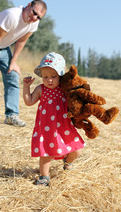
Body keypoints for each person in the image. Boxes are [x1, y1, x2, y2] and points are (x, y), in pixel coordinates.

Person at [0, 0, 47, 127]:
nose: (34, 17)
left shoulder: (33, 24)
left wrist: (13, 62)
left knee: (13, 75)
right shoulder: (12, 16)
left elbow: (21, 42)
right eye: (34, 12)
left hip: (4, 48)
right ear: (28, 5)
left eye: (38, 17)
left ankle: (11, 115)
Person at [23, 52, 85, 186]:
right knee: (45, 152)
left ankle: (68, 161)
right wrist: (26, 87)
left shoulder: (64, 90)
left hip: (64, 127)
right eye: (45, 77)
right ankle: (44, 176)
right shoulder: (41, 89)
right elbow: (29, 102)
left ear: (61, 76)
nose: (49, 80)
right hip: (46, 128)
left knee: (77, 150)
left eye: (53, 76)